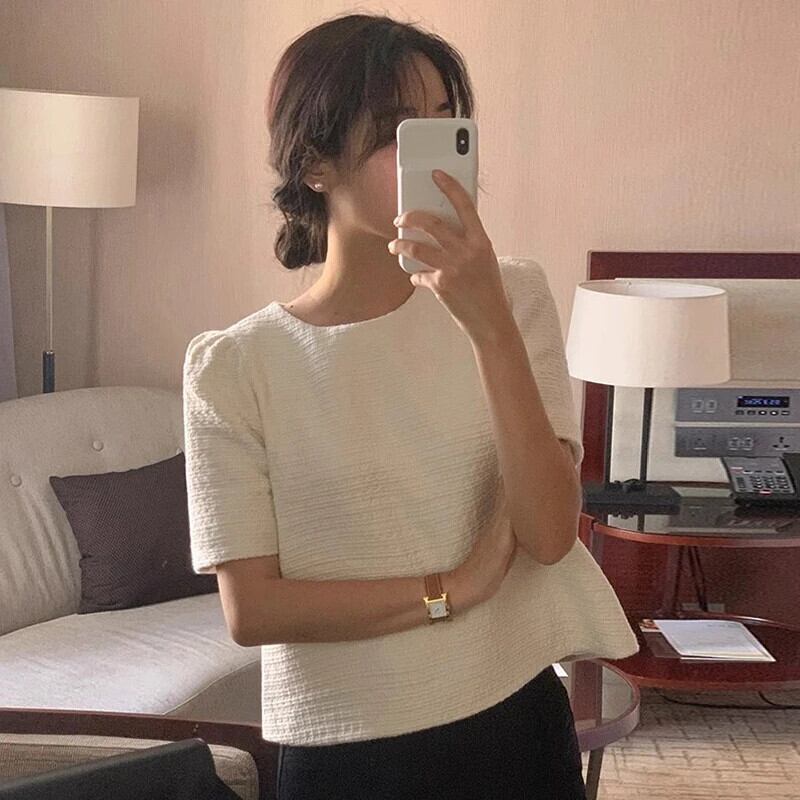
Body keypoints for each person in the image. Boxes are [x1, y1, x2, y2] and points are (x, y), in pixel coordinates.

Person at [182, 12, 639, 800]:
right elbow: (251, 610)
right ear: (314, 163)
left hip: (513, 719)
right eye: (399, 130)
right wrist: (451, 587)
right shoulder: (235, 367)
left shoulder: (514, 296)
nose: (434, 151)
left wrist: (488, 325)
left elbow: (547, 533)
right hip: (342, 747)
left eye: (445, 122)